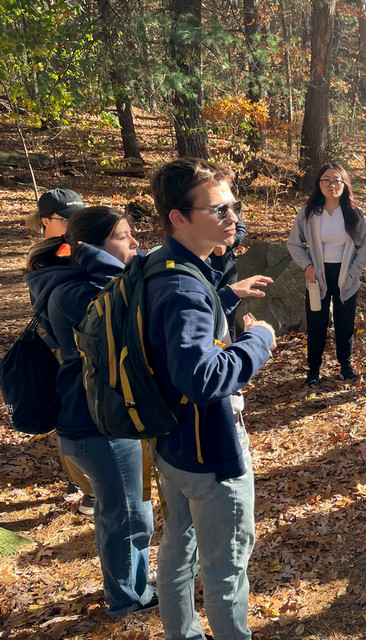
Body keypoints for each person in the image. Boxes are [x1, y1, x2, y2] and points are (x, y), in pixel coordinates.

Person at [147, 158, 277, 640]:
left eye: (234, 206)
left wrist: (224, 294)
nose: (233, 218)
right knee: (225, 573)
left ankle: (182, 633)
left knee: (177, 549)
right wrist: (258, 340)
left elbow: (170, 335)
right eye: (219, 209)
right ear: (178, 217)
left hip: (172, 444)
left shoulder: (162, 265)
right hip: (210, 452)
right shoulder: (183, 286)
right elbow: (201, 376)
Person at [24, 206, 155, 619]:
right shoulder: (79, 292)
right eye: (123, 237)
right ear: (92, 249)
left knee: (123, 512)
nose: (135, 244)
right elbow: (121, 311)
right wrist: (94, 258)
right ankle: (126, 601)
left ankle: (132, 587)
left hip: (94, 420)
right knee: (128, 516)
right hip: (95, 424)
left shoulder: (74, 284)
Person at [25, 187, 96, 513]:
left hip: (90, 344)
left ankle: (86, 479)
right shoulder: (44, 257)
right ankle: (84, 483)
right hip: (66, 348)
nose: (72, 223)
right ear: (45, 221)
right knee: (74, 413)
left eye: (77, 216)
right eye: (65, 218)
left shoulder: (79, 245)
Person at [287, 163, 366, 385]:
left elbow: (364, 249)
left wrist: (352, 273)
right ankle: (313, 370)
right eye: (326, 180)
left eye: (336, 180)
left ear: (344, 184)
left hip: (346, 277)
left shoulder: (355, 214)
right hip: (317, 276)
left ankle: (346, 366)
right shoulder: (308, 213)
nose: (331, 185)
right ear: (319, 183)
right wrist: (307, 266)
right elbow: (294, 243)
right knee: (316, 324)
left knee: (345, 324)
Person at [209, 216, 248, 340]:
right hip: (202, 270)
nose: (231, 215)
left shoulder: (227, 207)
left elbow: (241, 229)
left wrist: (227, 245)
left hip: (226, 270)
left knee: (229, 318)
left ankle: (230, 351)